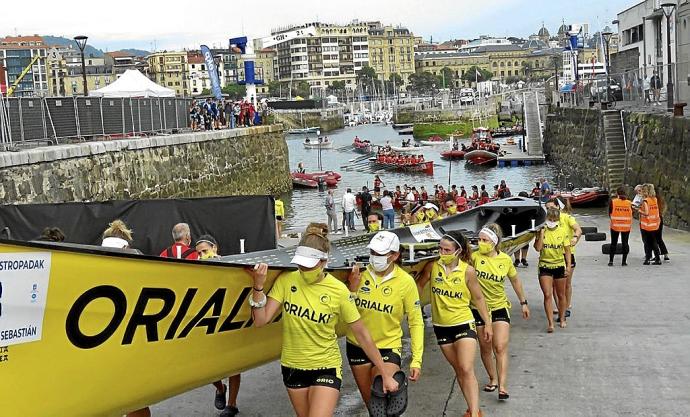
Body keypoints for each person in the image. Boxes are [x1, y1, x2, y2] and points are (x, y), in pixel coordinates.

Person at [246, 224, 399, 417]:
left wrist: (385, 374)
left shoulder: (338, 291)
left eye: (309, 266)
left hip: (326, 366)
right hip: (293, 367)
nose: (303, 269)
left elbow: (362, 334)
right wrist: (258, 287)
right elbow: (261, 320)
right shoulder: (287, 281)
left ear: (324, 262)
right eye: (300, 265)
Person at [416, 231, 492, 417]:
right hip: (441, 326)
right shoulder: (432, 267)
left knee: (466, 367)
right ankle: (473, 408)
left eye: (447, 249)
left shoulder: (468, 271)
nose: (443, 252)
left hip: (463, 323)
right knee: (459, 369)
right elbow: (417, 287)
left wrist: (488, 323)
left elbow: (479, 298)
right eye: (440, 249)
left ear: (458, 251)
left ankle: (474, 413)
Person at [345, 231, 423, 406]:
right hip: (358, 347)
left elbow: (416, 321)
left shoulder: (405, 281)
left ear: (394, 255)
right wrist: (353, 291)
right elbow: (346, 313)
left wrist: (416, 359)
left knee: (386, 398)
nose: (374, 258)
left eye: (380, 254)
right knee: (373, 406)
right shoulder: (359, 275)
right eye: (372, 253)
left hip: (388, 346)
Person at [471, 224, 530, 400]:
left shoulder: (505, 260)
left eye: (484, 240)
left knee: (500, 346)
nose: (480, 243)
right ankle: (492, 378)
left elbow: (515, 281)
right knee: (485, 347)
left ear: (494, 242)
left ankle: (502, 386)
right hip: (478, 310)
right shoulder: (473, 258)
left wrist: (523, 303)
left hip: (499, 307)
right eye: (479, 240)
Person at [194, 235, 242, 417]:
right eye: (198, 253)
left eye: (204, 251)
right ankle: (220, 388)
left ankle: (232, 404)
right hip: (208, 322)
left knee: (235, 365)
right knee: (208, 367)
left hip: (230, 320)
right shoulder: (195, 269)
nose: (201, 255)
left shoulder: (230, 266)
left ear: (215, 249)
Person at [533, 207, 572, 333]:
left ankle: (562, 318)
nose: (552, 222)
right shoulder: (541, 231)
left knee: (561, 295)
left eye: (554, 220)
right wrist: (542, 235)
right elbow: (538, 248)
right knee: (547, 294)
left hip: (559, 265)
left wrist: (568, 266)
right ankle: (550, 323)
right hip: (545, 265)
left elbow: (567, 251)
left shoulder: (562, 231)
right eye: (550, 219)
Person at [546, 197, 581, 320]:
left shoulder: (567, 218)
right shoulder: (546, 221)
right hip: (552, 255)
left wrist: (575, 237)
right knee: (554, 285)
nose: (549, 210)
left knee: (566, 283)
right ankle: (560, 306)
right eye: (547, 208)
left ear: (558, 206)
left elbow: (578, 229)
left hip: (567, 254)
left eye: (551, 207)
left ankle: (566, 305)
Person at [637, 184, 662, 265]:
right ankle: (658, 259)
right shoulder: (654, 199)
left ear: (646, 191)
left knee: (647, 243)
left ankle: (647, 259)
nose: (642, 192)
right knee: (654, 242)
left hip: (647, 225)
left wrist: (639, 210)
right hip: (655, 224)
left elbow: (647, 213)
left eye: (643, 190)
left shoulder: (646, 201)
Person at [608, 186, 633, 266]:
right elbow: (632, 213)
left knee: (613, 243)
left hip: (615, 225)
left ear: (617, 193)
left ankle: (611, 261)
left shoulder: (613, 201)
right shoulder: (629, 203)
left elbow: (610, 213)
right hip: (626, 226)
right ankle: (624, 262)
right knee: (625, 243)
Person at [654, 185, 670, 261]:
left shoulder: (654, 199)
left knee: (654, 238)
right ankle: (665, 254)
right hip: (660, 218)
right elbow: (665, 206)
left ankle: (656, 255)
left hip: (654, 219)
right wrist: (662, 213)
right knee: (659, 238)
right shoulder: (660, 199)